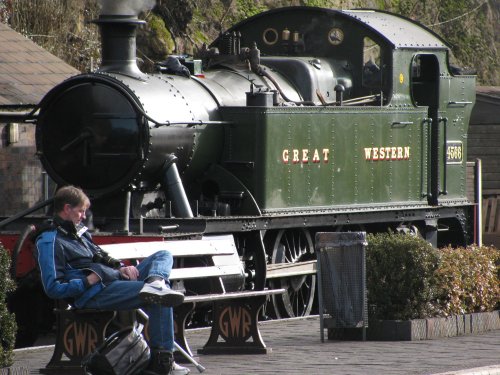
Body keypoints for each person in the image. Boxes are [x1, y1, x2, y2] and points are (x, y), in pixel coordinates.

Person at [35, 185, 190, 375]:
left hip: (112, 279)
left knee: (163, 255)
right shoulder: (49, 241)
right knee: (161, 297)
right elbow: (53, 287)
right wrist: (87, 281)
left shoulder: (80, 233)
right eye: (81, 211)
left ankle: (155, 282)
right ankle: (163, 362)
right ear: (67, 208)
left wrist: (121, 268)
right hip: (93, 292)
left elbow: (101, 256)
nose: (84, 216)